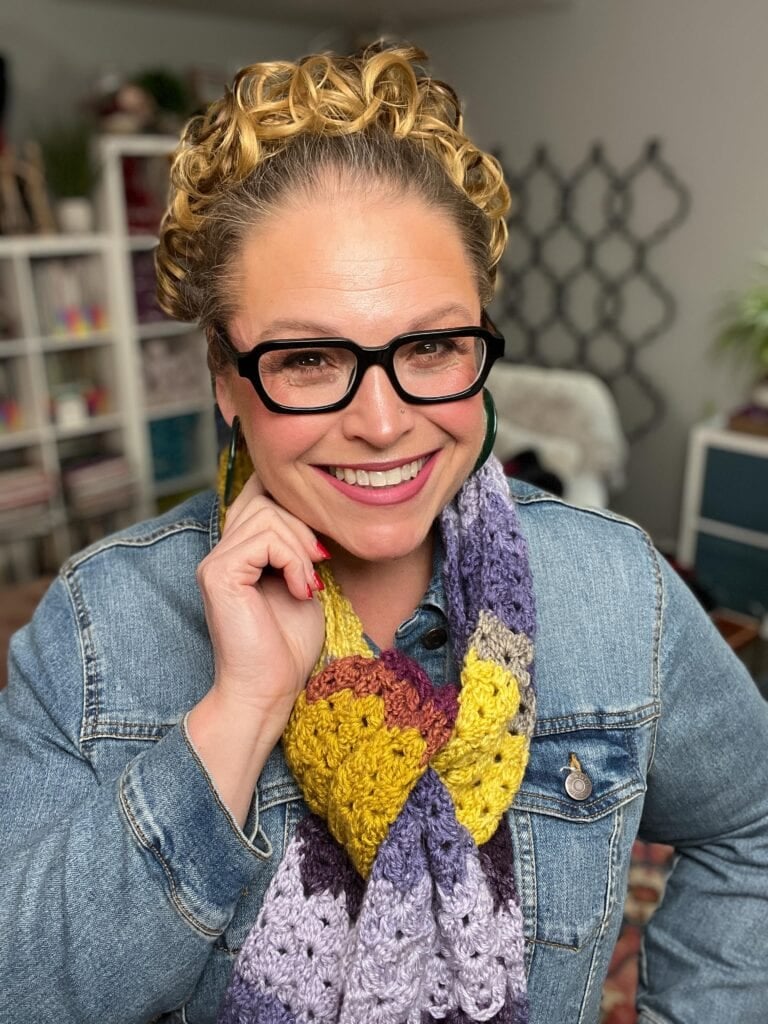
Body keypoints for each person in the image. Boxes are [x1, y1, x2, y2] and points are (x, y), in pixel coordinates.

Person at [1, 43, 767, 1024]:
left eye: (431, 346)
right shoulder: (99, 628)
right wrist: (236, 715)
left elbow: (752, 819)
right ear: (229, 382)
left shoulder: (617, 587)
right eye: (311, 357)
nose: (382, 420)